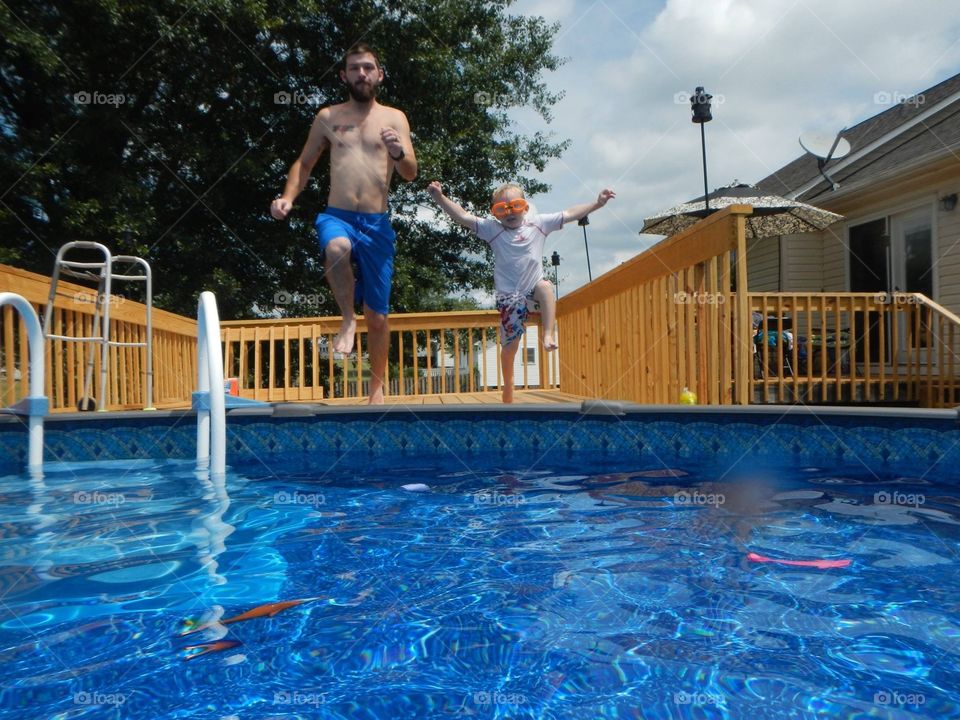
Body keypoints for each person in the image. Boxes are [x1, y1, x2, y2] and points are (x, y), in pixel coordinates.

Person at [270, 43, 417, 405]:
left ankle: (376, 389)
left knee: (379, 317)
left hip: (376, 223)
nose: (362, 74)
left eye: (368, 67)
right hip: (338, 215)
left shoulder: (395, 118)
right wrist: (289, 196)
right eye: (354, 68)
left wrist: (398, 151)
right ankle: (347, 318)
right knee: (336, 248)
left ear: (379, 75)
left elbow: (411, 173)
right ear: (344, 76)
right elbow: (304, 164)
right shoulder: (328, 117)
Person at [426, 181, 615, 403]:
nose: (509, 213)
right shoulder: (492, 229)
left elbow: (570, 213)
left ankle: (547, 334)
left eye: (515, 206)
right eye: (501, 209)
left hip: (533, 290)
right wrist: (439, 197)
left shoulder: (539, 224)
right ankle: (508, 382)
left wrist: (597, 203)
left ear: (525, 208)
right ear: (495, 213)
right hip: (510, 298)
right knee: (510, 346)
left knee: (546, 286)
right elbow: (463, 216)